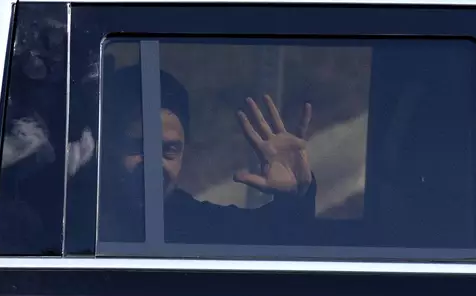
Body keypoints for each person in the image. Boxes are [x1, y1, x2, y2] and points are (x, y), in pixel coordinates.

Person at [99, 64, 316, 245]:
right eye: (140, 146)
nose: (155, 164)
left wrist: (294, 197)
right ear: (108, 147)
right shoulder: (78, 218)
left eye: (170, 150)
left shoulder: (194, 224)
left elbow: (277, 238)